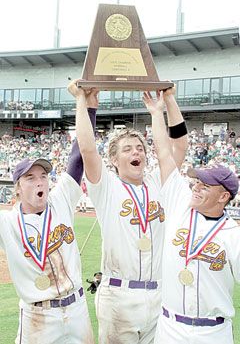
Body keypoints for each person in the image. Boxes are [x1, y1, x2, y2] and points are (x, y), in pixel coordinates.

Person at [68, 80, 188, 344]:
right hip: (119, 297)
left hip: (159, 293)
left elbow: (179, 147)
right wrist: (82, 102)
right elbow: (87, 150)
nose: (137, 153)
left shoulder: (159, 182)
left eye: (140, 149)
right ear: (113, 159)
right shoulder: (107, 187)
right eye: (127, 149)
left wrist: (167, 103)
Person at [143, 90, 240, 344]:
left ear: (223, 197)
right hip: (170, 327)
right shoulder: (180, 205)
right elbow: (165, 153)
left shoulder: (234, 235)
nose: (196, 187)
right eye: (197, 181)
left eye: (205, 185)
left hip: (212, 332)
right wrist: (160, 109)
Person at [0, 95, 98, 343]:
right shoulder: (8, 223)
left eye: (43, 175)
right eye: (30, 178)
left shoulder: (61, 199)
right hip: (37, 316)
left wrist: (89, 106)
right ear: (18, 189)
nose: (40, 181)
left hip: (76, 309)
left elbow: (78, 157)